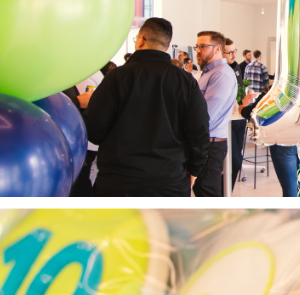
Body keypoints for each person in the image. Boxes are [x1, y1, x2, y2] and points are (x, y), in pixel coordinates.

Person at [83, 17, 207, 197]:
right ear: (166, 46)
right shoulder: (186, 81)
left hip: (118, 182)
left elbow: (94, 130)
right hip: (169, 180)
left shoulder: (116, 77)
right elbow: (200, 131)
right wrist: (194, 170)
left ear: (141, 40)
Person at [192, 31, 236, 197]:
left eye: (202, 46)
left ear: (217, 48)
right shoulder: (208, 72)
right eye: (197, 46)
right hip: (203, 142)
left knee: (208, 196)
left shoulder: (221, 74)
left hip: (210, 145)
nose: (198, 50)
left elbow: (205, 117)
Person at [234, 49, 270, 187]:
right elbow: (266, 84)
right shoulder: (262, 67)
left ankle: (254, 133)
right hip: (260, 97)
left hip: (250, 96)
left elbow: (245, 81)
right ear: (259, 56)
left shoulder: (247, 66)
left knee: (249, 115)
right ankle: (259, 135)